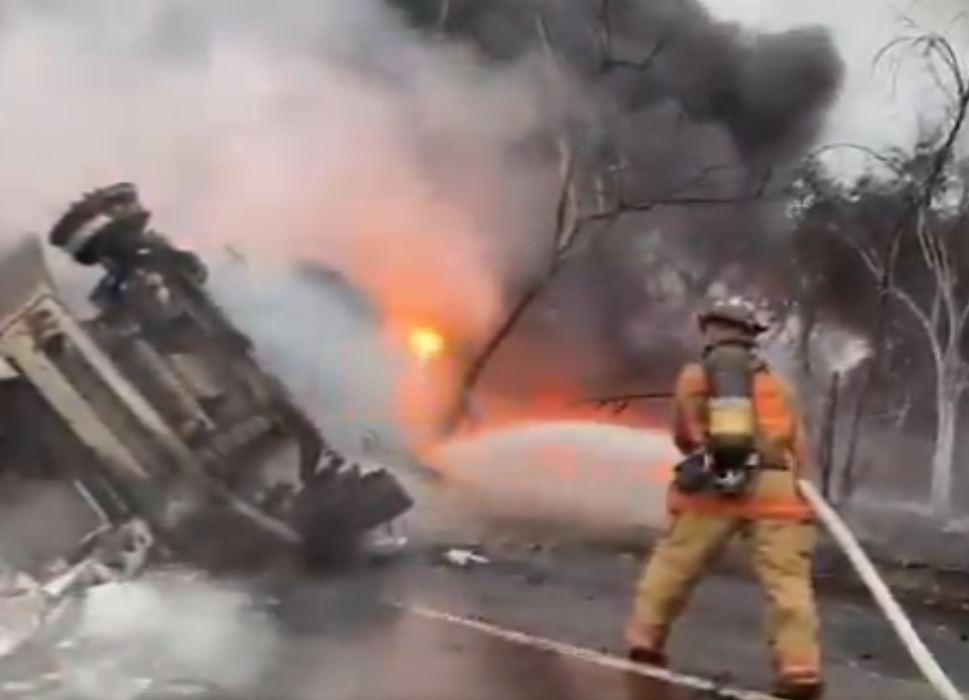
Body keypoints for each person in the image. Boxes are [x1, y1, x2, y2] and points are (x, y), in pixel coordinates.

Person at [626, 297, 823, 700]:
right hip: (774, 489)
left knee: (675, 564)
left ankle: (646, 638)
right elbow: (798, 446)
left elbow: (684, 437)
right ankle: (799, 667)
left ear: (710, 329)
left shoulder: (694, 378)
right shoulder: (780, 386)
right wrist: (802, 492)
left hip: (714, 486)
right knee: (788, 583)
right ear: (751, 337)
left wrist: (705, 449)